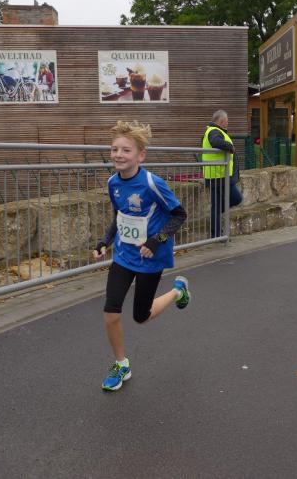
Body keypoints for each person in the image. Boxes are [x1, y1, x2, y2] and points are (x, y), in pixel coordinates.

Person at [93, 120, 191, 392]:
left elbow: (179, 215)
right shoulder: (113, 182)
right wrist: (104, 241)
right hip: (124, 256)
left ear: (141, 155)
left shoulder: (151, 183)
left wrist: (156, 241)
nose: (118, 155)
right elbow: (119, 216)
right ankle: (121, 364)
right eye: (115, 149)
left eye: (126, 150)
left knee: (141, 316)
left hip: (151, 258)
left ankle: (178, 291)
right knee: (111, 312)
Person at [202, 110, 243, 238]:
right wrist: (231, 147)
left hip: (216, 174)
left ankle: (215, 234)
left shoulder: (212, 130)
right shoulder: (214, 131)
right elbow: (216, 142)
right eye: (227, 121)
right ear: (221, 121)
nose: (227, 123)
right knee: (237, 198)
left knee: (216, 205)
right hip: (219, 175)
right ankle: (216, 226)